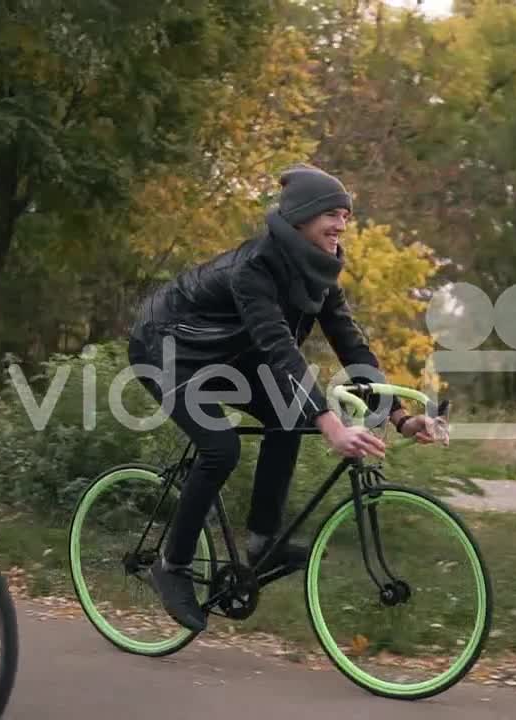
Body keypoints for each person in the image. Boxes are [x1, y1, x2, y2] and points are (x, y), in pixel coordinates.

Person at [126, 164, 440, 633]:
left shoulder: (321, 274)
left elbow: (351, 345)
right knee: (220, 447)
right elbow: (280, 351)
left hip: (225, 356)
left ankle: (261, 541)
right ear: (300, 219)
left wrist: (398, 417)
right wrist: (331, 425)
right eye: (331, 214)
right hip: (166, 348)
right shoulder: (253, 268)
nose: (341, 225)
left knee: (292, 417)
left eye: (346, 217)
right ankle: (171, 565)